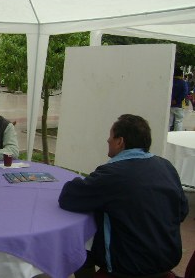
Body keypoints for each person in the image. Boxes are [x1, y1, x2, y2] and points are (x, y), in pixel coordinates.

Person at [58, 114, 189, 278]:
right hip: (166, 261)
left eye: (110, 136)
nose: (107, 140)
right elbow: (182, 211)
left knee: (77, 245)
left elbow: (68, 198)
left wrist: (78, 180)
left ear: (120, 141)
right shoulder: (166, 166)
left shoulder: (112, 174)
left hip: (127, 268)